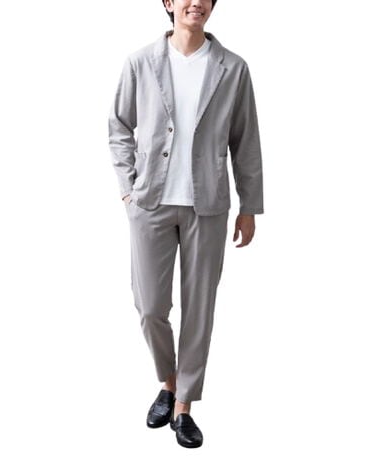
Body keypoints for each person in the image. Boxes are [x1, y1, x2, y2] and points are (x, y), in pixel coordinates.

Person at [107, 0, 264, 448]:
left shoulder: (233, 68)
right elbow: (119, 127)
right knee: (150, 306)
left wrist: (249, 205)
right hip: (150, 202)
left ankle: (182, 405)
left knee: (199, 309)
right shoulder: (140, 62)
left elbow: (246, 140)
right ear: (168, 3)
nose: (196, 2)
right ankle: (169, 380)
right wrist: (128, 188)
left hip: (207, 205)